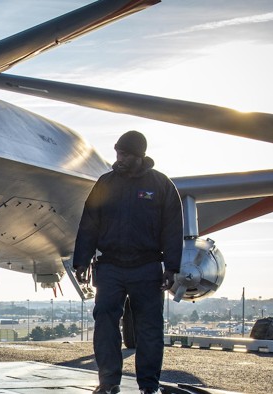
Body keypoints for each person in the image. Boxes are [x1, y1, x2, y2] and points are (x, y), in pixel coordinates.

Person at [72, 130, 183, 394]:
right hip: (110, 267)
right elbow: (89, 224)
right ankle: (108, 383)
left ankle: (149, 386)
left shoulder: (161, 185)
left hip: (147, 268)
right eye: (118, 153)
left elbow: (173, 228)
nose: (119, 159)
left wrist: (172, 267)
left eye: (124, 154)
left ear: (139, 156)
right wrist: (81, 261)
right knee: (105, 323)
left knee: (149, 327)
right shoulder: (105, 184)